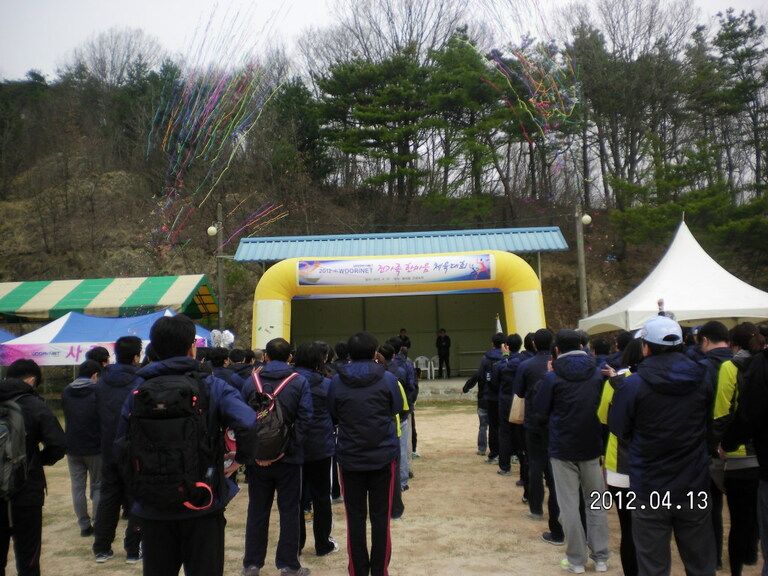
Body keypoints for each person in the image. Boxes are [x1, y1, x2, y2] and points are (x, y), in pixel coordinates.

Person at [115, 315, 259, 576]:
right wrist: (240, 460)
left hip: (153, 505)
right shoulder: (211, 386)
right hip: (202, 500)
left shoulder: (138, 389)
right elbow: (248, 422)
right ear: (192, 346)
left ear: (154, 348)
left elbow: (120, 444)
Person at [609, 315, 716, 576]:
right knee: (701, 564)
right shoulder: (703, 379)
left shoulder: (632, 384)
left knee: (653, 566)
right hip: (694, 484)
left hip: (649, 487)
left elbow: (618, 428)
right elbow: (709, 424)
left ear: (645, 347)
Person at [534, 329, 609, 574]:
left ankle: (576, 559)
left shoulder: (552, 378)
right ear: (582, 345)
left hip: (562, 447)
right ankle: (601, 557)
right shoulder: (597, 374)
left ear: (556, 350)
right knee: (595, 502)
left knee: (569, 506)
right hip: (591, 445)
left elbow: (540, 412)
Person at [328, 332, 403, 576]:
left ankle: (358, 570)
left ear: (348, 353)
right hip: (383, 457)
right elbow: (396, 408)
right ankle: (380, 571)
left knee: (355, 519)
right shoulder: (388, 378)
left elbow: (333, 414)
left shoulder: (337, 382)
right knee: (381, 519)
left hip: (350, 458)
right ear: (374, 353)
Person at [241, 337, 313, 576]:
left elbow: (242, 419)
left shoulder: (250, 383)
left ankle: (252, 564)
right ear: (289, 357)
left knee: (257, 510)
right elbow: (305, 420)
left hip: (257, 460)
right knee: (289, 510)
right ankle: (288, 564)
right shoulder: (299, 382)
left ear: (266, 357)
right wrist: (288, 448)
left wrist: (253, 451)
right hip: (289, 459)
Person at [0, 359, 66, 576]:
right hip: (26, 489)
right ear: (31, 380)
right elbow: (58, 445)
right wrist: (37, 460)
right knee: (28, 555)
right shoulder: (35, 404)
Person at [713, 323, 763, 576]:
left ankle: (735, 570)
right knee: (757, 514)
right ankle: (753, 554)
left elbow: (723, 411)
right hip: (762, 453)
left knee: (738, 520)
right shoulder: (763, 365)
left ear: (734, 345)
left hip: (737, 454)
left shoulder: (729, 367)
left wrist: (721, 443)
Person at [92, 335, 143, 563]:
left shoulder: (102, 381)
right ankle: (133, 550)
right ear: (136, 356)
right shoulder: (140, 382)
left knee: (108, 497)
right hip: (133, 449)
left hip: (108, 447)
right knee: (135, 498)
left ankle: (101, 547)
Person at [598, 338, 644, 576]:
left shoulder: (617, 382)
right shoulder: (665, 381)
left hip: (621, 466)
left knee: (628, 528)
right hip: (657, 467)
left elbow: (604, 417)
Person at [514, 329, 564, 542]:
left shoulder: (525, 365)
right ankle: (556, 506)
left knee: (535, 464)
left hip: (533, 421)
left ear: (533, 344)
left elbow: (519, 392)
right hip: (555, 423)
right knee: (554, 467)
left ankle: (536, 507)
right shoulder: (559, 367)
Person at [293, 343, 338, 557]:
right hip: (320, 446)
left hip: (294, 446)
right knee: (322, 496)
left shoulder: (289, 382)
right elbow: (335, 413)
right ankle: (322, 543)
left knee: (296, 497)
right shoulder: (326, 384)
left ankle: (297, 544)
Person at [698, 320, 735, 569]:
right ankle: (749, 554)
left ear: (705, 341)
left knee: (711, 506)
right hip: (746, 446)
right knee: (745, 508)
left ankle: (715, 559)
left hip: (709, 445)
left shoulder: (702, 369)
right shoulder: (744, 363)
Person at [62, 359, 103, 536]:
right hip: (95, 446)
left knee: (77, 487)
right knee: (98, 485)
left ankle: (84, 526)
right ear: (95, 375)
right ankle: (98, 522)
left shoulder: (66, 391)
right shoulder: (98, 391)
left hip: (72, 446)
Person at [467, 333, 505, 462]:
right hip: (503, 397)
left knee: (486, 425)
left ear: (492, 343)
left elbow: (480, 376)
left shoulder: (485, 358)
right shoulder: (506, 358)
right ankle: (507, 453)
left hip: (487, 397)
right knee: (503, 426)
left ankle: (487, 450)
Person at [495, 334, 524, 478]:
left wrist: (504, 357)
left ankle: (505, 466)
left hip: (505, 401)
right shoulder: (524, 362)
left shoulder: (503, 364)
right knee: (520, 433)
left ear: (506, 346)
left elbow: (495, 379)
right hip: (519, 400)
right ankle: (520, 460)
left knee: (505, 433)